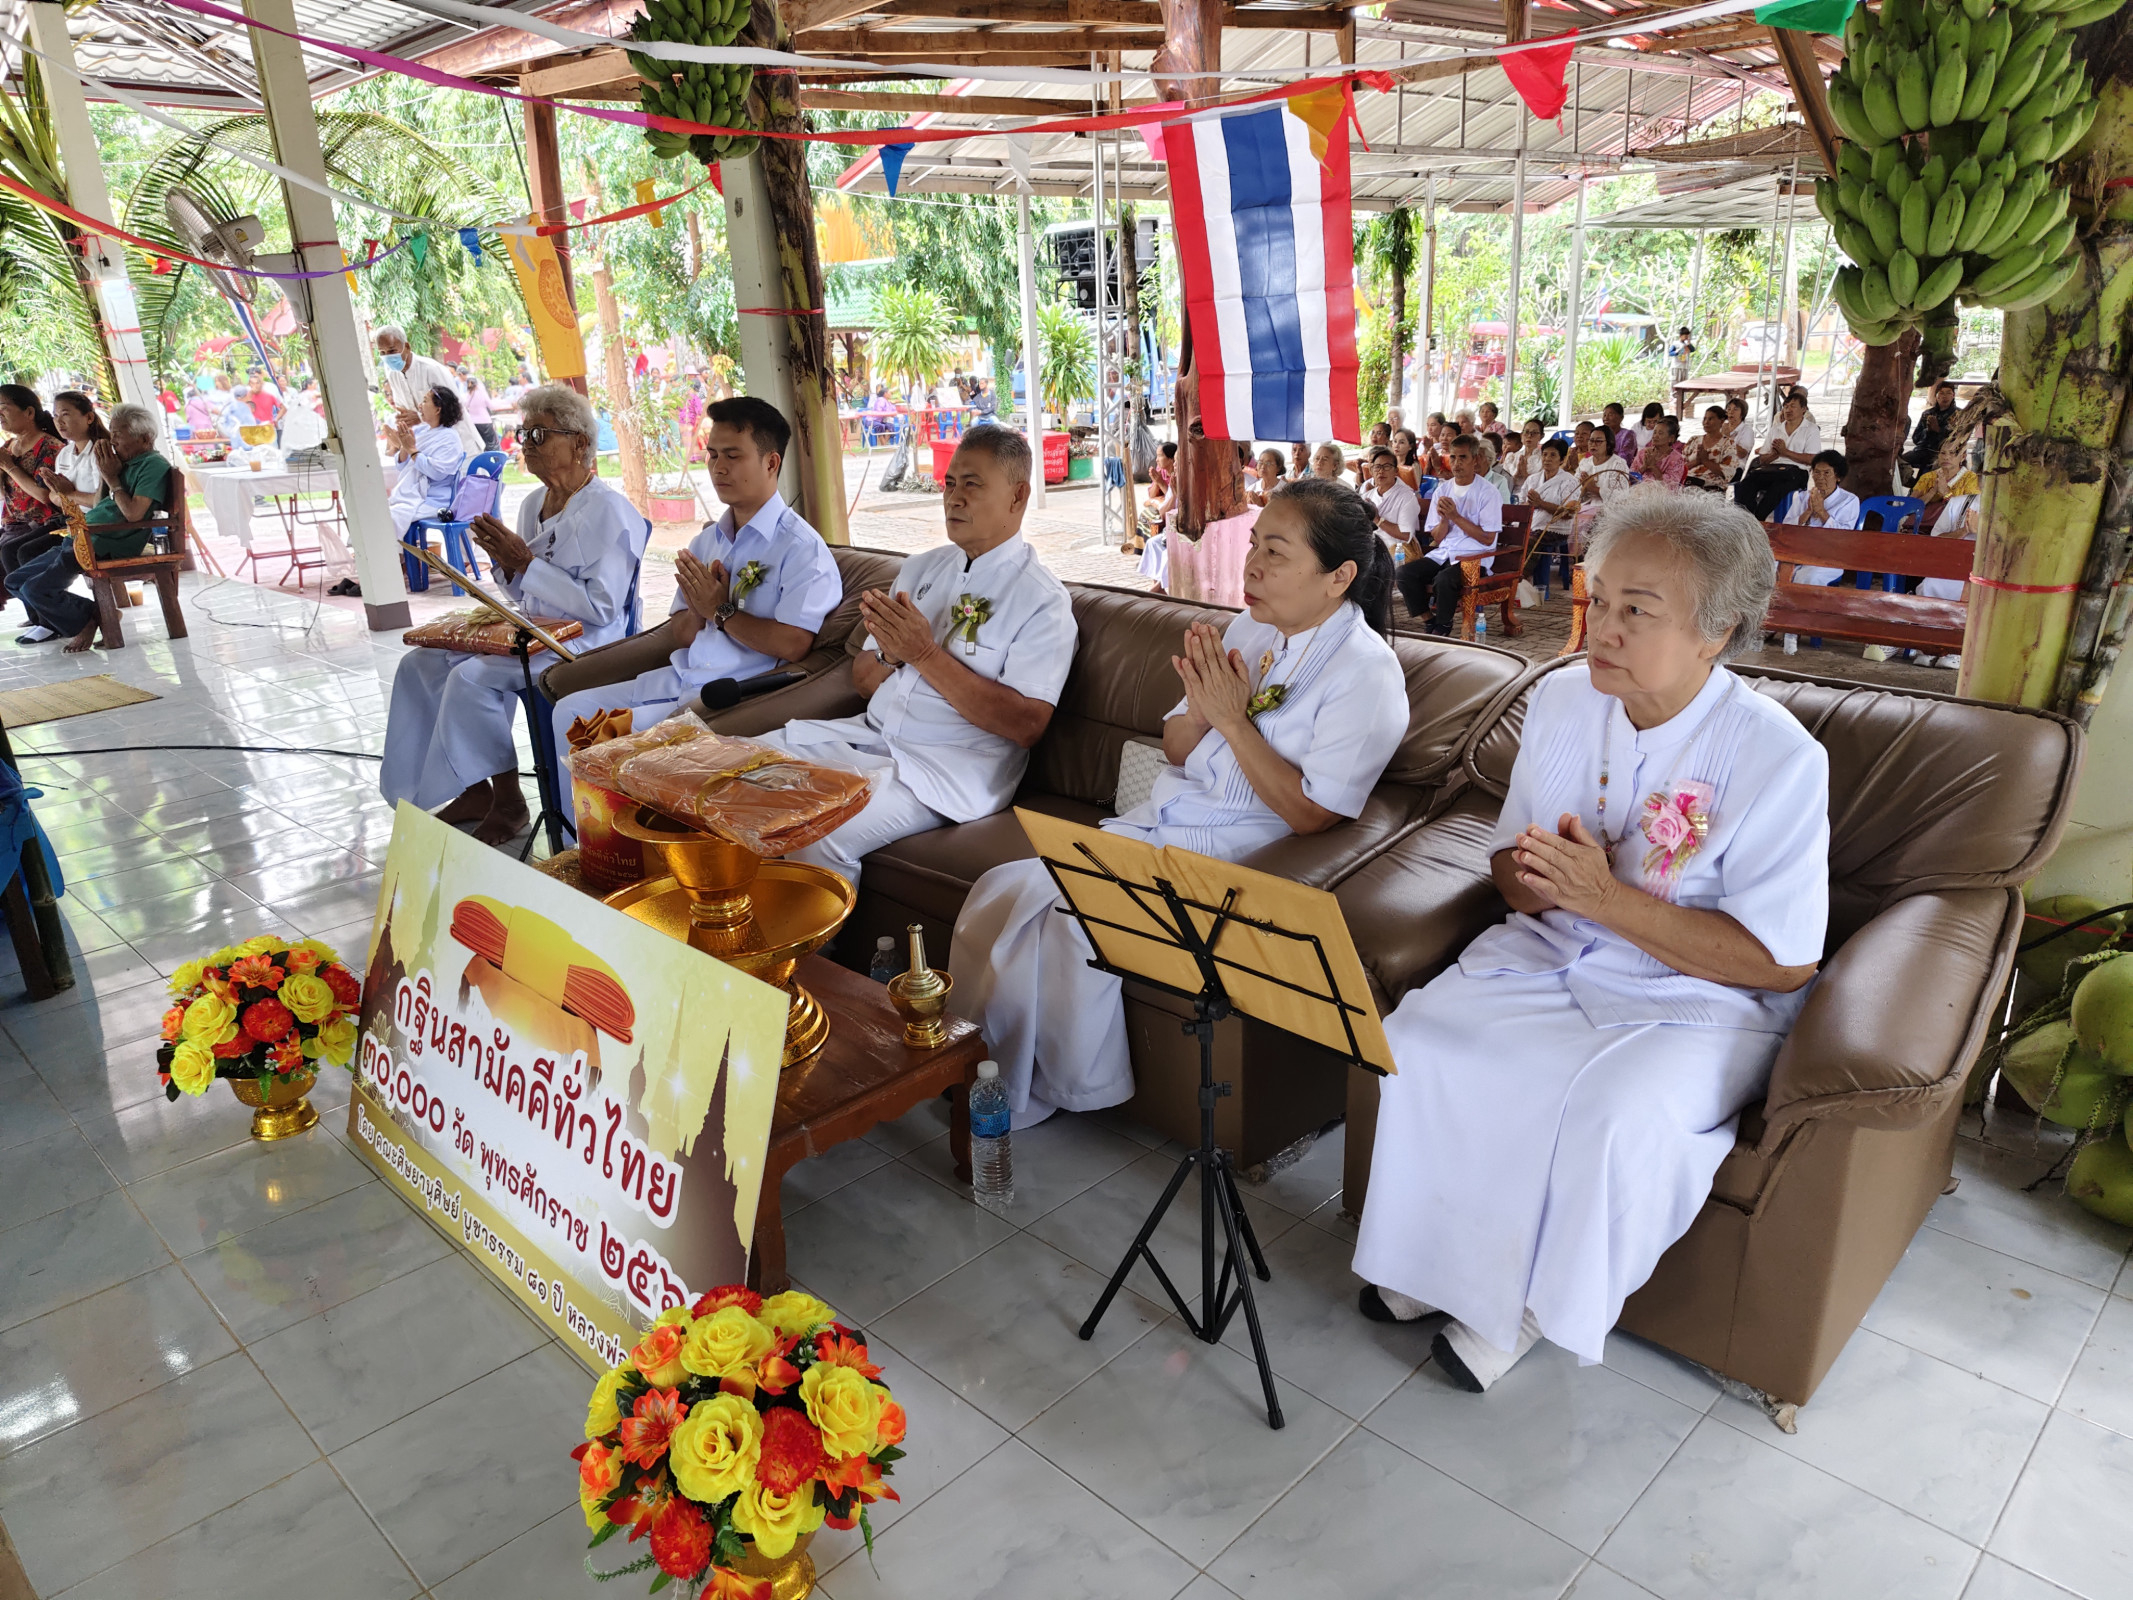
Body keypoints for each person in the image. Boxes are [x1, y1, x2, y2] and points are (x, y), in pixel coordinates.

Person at [1352, 488, 1827, 1394]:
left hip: (1702, 998)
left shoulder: (1779, 757)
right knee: (1421, 1038)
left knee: (1610, 1113)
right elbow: (1510, 869)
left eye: (1636, 612)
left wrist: (1605, 897)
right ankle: (1434, 1261)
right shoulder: (1564, 699)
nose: (1601, 628)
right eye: (1598, 598)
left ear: (1716, 632)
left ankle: (1535, 1305)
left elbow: (1781, 962)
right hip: (1555, 948)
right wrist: (1546, 879)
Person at [949, 477, 1407, 1127]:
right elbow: (1174, 747)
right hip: (1160, 825)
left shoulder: (1365, 673)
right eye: (1254, 544)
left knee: (1063, 912)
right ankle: (967, 1065)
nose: (1251, 564)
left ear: (1339, 577)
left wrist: (1235, 722)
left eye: (1275, 552)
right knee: (1000, 889)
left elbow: (1313, 814)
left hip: (1235, 856)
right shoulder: (1250, 630)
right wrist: (1200, 711)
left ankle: (1044, 1090)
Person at [746, 427, 1076, 890]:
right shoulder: (921, 568)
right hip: (870, 737)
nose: (953, 498)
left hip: (947, 768)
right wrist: (890, 651)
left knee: (819, 832)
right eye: (949, 483)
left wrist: (923, 653)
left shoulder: (1042, 601)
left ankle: (809, 939)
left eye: (972, 484)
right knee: (735, 768)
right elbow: (864, 681)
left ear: (1018, 496)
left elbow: (1026, 725)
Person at [379, 383, 646, 844]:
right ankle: (473, 789)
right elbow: (524, 593)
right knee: (419, 665)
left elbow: (603, 608)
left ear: (579, 444)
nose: (527, 445)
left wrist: (524, 562)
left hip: (587, 642)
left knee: (471, 677)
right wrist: (506, 563)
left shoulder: (609, 511)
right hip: (536, 629)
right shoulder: (532, 504)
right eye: (524, 435)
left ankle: (508, 801)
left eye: (540, 435)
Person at [547, 397, 840, 815]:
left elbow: (794, 644)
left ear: (771, 463)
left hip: (731, 695)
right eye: (713, 454)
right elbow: (682, 632)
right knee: (570, 712)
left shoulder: (801, 549)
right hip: (680, 676)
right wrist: (700, 608)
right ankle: (579, 835)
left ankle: (618, 834)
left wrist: (721, 608)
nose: (718, 468)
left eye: (733, 456)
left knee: (611, 737)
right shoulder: (708, 541)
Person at [13, 403, 170, 653]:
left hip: (107, 542)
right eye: (112, 432)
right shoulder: (121, 462)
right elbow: (99, 504)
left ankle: (88, 621)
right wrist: (104, 475)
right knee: (15, 581)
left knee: (34, 589)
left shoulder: (152, 464)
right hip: (84, 537)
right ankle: (98, 612)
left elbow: (134, 514)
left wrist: (112, 479)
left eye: (118, 434)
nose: (112, 440)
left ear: (144, 438)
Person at [1398, 434, 1502, 634]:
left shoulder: (1488, 492)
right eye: (1453, 457)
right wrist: (1445, 519)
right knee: (1404, 574)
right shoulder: (1443, 490)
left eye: (1463, 457)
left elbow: (1488, 538)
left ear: (1475, 460)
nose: (1457, 463)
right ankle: (1429, 620)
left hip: (1475, 557)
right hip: (1444, 552)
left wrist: (1455, 516)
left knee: (1444, 579)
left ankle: (1443, 625)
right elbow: (1437, 538)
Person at [0, 386, 65, 607]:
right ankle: (38, 612)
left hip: (44, 523)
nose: (0, 415)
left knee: (12, 551)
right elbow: (4, 494)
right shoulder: (8, 447)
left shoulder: (49, 447)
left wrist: (9, 467)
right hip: (14, 525)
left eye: (4, 408)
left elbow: (45, 495)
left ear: (29, 412)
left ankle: (43, 614)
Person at [373, 326, 480, 454]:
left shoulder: (431, 369)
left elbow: (454, 409)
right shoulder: (392, 374)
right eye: (382, 353)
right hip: (431, 449)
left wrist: (420, 417)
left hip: (462, 444)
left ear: (406, 347)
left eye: (392, 351)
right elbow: (403, 411)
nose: (388, 357)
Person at [384, 385, 469, 539]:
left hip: (433, 499)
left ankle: (396, 553)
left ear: (438, 409)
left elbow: (437, 473)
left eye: (424, 401)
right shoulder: (422, 431)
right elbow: (402, 465)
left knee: (390, 518)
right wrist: (404, 446)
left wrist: (411, 449)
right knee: (379, 512)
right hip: (412, 495)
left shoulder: (449, 438)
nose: (419, 406)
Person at [1773, 450, 1861, 586]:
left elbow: (1843, 536)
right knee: (1768, 568)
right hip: (1797, 551)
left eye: (1826, 473)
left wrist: (1821, 512)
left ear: (1838, 477)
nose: (1820, 477)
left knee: (1808, 577)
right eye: (1816, 472)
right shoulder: (1803, 497)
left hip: (1829, 555)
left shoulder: (1849, 500)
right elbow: (1786, 529)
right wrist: (1807, 512)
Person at [1736, 389, 1821, 521]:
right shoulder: (1776, 429)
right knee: (1747, 483)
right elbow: (1763, 459)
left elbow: (1812, 459)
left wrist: (1785, 452)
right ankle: (1745, 518)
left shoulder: (1811, 429)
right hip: (1772, 469)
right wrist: (1775, 455)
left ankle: (1758, 519)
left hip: (1797, 472)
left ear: (1804, 409)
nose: (1788, 410)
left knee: (1778, 487)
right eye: (1785, 407)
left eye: (1793, 406)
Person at [1362, 446, 1422, 563]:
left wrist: (1377, 519)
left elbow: (1405, 534)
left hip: (1398, 554)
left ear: (1396, 471)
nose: (1381, 471)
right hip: (1370, 551)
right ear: (1371, 471)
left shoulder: (1406, 497)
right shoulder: (1366, 497)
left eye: (1387, 466)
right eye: (1377, 467)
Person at [1574, 425, 1632, 546]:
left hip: (1608, 509)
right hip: (1585, 506)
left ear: (1609, 444)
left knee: (1589, 521)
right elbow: (1574, 490)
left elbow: (1620, 496)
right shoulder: (1585, 463)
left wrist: (1593, 488)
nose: (1593, 444)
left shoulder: (1617, 464)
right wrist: (1583, 488)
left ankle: (1584, 553)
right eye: (1591, 440)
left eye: (1598, 441)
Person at [1521, 438, 1580, 545]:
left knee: (1527, 543)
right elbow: (1521, 506)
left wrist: (1540, 503)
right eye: (1544, 454)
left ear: (1562, 459)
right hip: (1530, 527)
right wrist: (1529, 504)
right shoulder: (1532, 479)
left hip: (1555, 530)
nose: (1547, 458)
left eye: (1553, 455)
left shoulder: (1569, 481)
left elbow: (1569, 513)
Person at [1903, 381, 1959, 477]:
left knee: (1927, 474)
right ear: (1936, 396)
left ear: (1953, 395)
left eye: (1948, 393)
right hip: (1923, 451)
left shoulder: (1959, 415)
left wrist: (1938, 431)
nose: (1945, 396)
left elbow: (1958, 440)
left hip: (1946, 454)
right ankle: (1909, 481)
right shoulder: (1928, 414)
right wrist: (1927, 431)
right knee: (1898, 463)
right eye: (1941, 393)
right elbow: (1916, 438)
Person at [1683, 405, 1744, 494]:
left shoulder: (1728, 444)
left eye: (1710, 419)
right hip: (1688, 482)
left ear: (1721, 421)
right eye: (1704, 419)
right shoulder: (1694, 440)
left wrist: (1706, 461)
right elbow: (1680, 467)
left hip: (1711, 488)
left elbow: (1728, 472)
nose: (1706, 422)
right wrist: (1696, 461)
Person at [1637, 415, 1687, 490]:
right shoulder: (1643, 453)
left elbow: (1671, 487)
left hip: (1661, 495)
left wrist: (1653, 466)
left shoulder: (1677, 459)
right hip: (1638, 491)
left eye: (1660, 433)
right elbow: (1630, 477)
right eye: (1654, 432)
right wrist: (1644, 466)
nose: (1655, 436)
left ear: (1671, 438)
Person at [461, 366, 499, 451]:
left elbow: (465, 406)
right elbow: (491, 406)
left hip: (473, 423)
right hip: (485, 421)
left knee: (480, 445)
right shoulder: (482, 393)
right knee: (491, 444)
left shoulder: (467, 395)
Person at [1501, 418, 1545, 488]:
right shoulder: (1512, 457)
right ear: (1521, 435)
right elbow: (1503, 482)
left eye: (1534, 433)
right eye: (1526, 432)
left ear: (1541, 436)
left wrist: (1525, 474)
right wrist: (1516, 475)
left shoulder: (1544, 459)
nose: (1529, 435)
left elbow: (1542, 485)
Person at [1726, 395, 1756, 466]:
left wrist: (1727, 438)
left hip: (1735, 465)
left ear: (1742, 413)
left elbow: (1742, 454)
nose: (1731, 412)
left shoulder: (1747, 430)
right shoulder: (1722, 427)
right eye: (1729, 409)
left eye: (1735, 409)